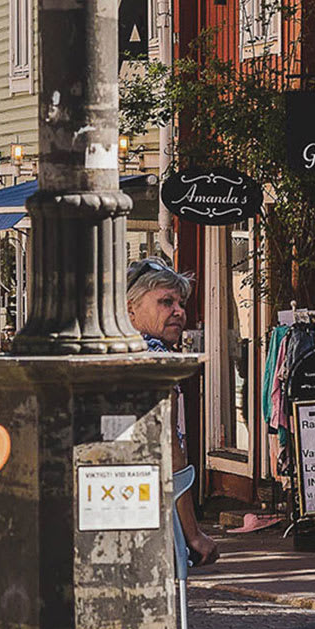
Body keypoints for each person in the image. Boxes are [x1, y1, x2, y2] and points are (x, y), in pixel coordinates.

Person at [126, 255, 217, 601]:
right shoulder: (156, 363)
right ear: (131, 309)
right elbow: (170, 451)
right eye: (165, 302)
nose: (178, 310)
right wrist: (193, 534)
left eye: (180, 302)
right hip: (151, 515)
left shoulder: (119, 353)